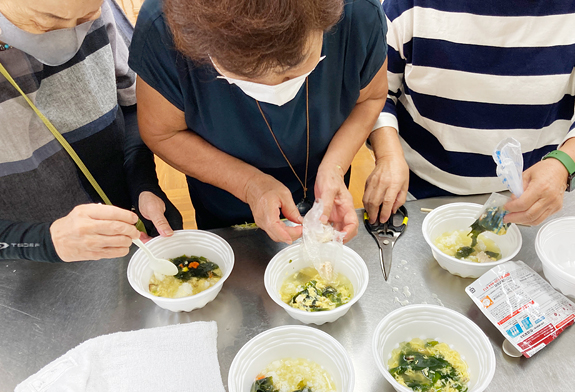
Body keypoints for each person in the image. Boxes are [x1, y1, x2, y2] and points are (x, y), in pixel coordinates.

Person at [128, 0, 388, 244]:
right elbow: (163, 133)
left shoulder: (357, 12)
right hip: (225, 204)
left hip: (322, 180)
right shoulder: (165, 26)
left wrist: (334, 167)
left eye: (293, 72)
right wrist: (248, 184)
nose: (275, 88)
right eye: (246, 77)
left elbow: (370, 98)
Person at [363, 0, 575, 226]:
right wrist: (387, 156)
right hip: (417, 191)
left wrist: (564, 165)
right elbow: (378, 91)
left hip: (528, 200)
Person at [0, 0, 181, 262]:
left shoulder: (97, 7)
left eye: (86, 16)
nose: (71, 36)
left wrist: (142, 183)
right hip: (24, 271)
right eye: (49, 19)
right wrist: (42, 241)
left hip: (123, 237)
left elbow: (131, 105)